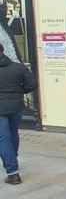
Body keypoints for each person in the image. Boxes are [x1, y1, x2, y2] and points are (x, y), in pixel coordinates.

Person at [0, 43, 36, 185]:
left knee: (3, 138)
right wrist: (20, 91)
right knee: (13, 133)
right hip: (16, 107)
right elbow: (32, 84)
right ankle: (12, 158)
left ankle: (13, 173)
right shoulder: (18, 67)